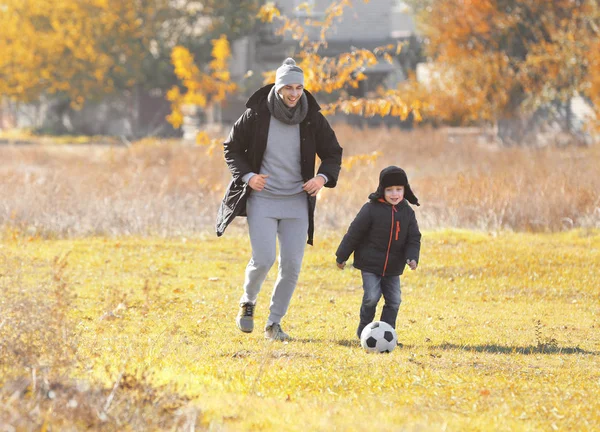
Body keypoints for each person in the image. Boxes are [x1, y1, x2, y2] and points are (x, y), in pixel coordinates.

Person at [216, 58, 343, 341]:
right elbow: (231, 148)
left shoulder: (312, 117)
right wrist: (248, 176)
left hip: (297, 202)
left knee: (292, 266)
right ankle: (248, 301)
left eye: (299, 87)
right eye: (288, 87)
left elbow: (333, 153)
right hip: (263, 198)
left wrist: (321, 178)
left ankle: (274, 323)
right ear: (277, 86)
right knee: (263, 258)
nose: (294, 94)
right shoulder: (257, 115)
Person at [335, 166, 421, 339]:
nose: (394, 194)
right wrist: (342, 255)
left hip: (393, 267)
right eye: (389, 190)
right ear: (382, 190)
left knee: (394, 300)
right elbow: (354, 233)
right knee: (371, 297)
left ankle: (386, 334)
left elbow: (413, 238)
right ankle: (364, 333)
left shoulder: (407, 212)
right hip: (370, 264)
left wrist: (412, 257)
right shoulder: (370, 209)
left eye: (398, 189)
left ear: (405, 190)